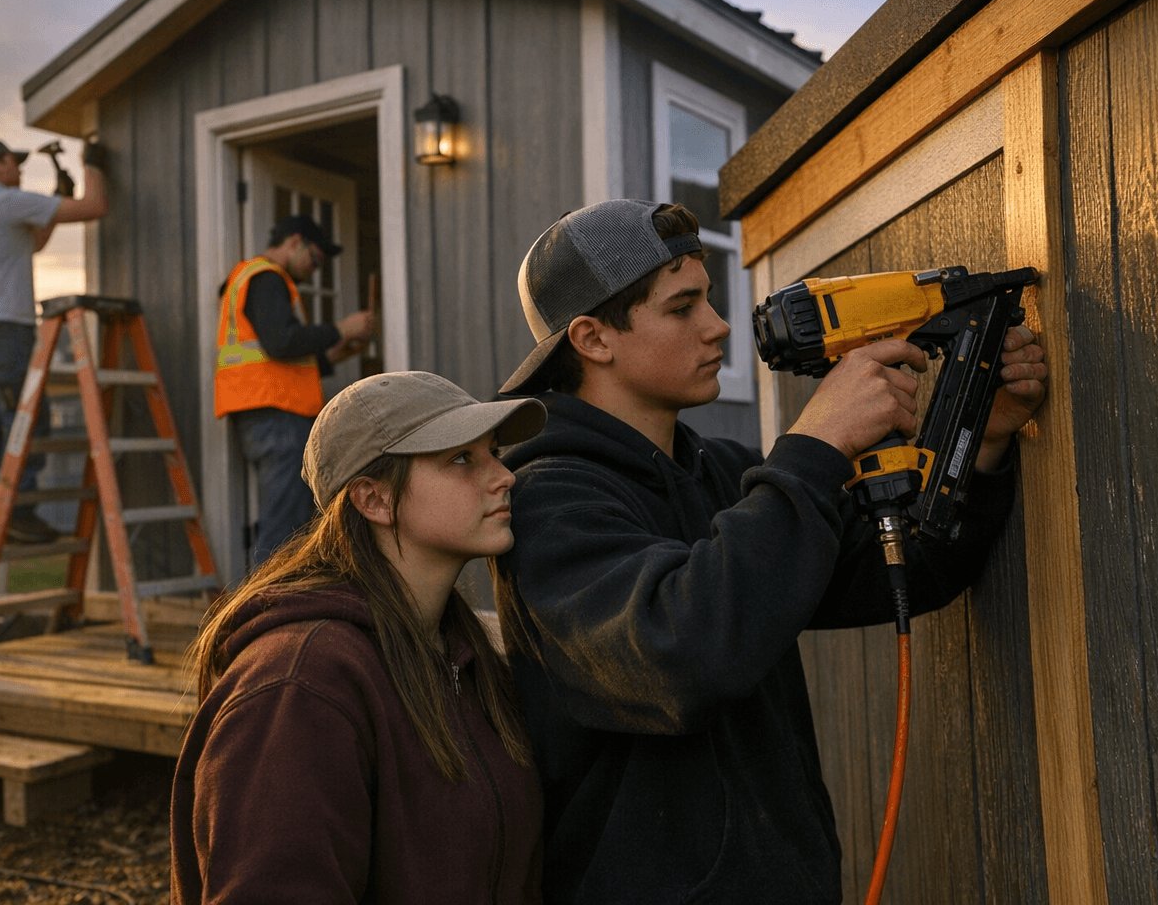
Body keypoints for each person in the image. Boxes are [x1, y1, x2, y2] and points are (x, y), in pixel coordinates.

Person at [490, 200, 1049, 904]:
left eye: (709, 301)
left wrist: (984, 435)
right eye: (683, 306)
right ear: (593, 338)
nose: (717, 325)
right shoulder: (547, 503)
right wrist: (814, 449)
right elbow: (680, 653)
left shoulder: (723, 475)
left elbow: (904, 569)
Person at [173, 371, 546, 904]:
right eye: (461, 459)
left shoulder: (461, 653)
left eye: (493, 451)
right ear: (374, 500)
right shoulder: (299, 685)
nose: (504, 475)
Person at [0, 136, 109, 550]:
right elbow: (95, 208)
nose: (19, 170)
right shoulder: (5, 201)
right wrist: (93, 165)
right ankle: (19, 513)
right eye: (13, 163)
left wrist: (55, 203)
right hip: (1, 327)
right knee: (29, 417)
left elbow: (33, 243)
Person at [213, 215, 375, 568]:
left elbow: (280, 357)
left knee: (289, 524)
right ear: (294, 242)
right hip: (277, 417)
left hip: (267, 413)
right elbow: (281, 342)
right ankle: (260, 615)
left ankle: (273, 611)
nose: (315, 269)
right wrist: (340, 328)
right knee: (282, 532)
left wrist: (337, 351)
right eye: (314, 258)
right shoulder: (267, 278)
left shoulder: (252, 279)